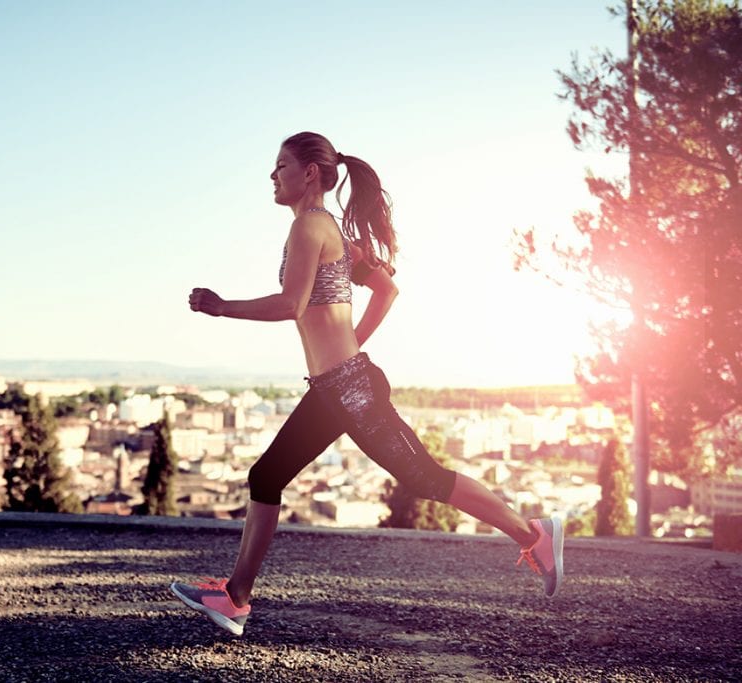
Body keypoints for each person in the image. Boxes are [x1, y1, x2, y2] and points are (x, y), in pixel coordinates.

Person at [170, 132, 563, 637]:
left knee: (425, 478)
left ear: (310, 172)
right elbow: (387, 287)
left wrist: (224, 307)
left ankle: (532, 533)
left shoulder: (311, 227)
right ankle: (235, 598)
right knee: (266, 477)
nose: (273, 175)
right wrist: (350, 344)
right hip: (335, 387)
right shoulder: (325, 229)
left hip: (350, 391)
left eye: (281, 165)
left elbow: (292, 304)